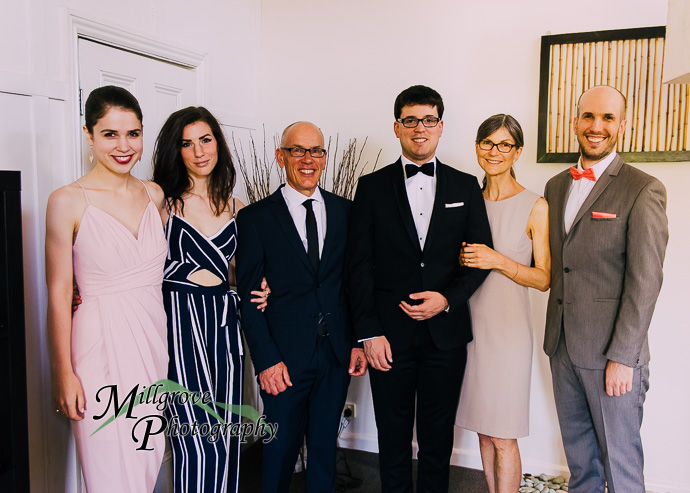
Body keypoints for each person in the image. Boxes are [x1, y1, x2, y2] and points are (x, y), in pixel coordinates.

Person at [347, 85, 493, 493]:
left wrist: (447, 299)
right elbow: (357, 266)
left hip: (445, 337)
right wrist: (369, 332)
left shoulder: (465, 187)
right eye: (410, 120)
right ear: (397, 127)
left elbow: (481, 258)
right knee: (391, 437)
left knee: (437, 438)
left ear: (441, 127)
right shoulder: (371, 187)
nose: (420, 128)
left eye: (428, 120)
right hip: (388, 337)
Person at [544, 85, 668, 493]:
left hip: (612, 355)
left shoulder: (642, 188)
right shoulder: (556, 185)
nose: (596, 127)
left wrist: (623, 357)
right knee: (581, 466)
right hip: (562, 348)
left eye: (608, 118)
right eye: (588, 117)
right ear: (574, 121)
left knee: (621, 468)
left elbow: (645, 281)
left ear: (622, 125)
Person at [46, 85, 168, 492]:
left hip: (152, 343)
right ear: (88, 134)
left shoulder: (154, 194)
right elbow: (60, 293)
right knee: (107, 469)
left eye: (133, 134)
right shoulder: (67, 200)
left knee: (146, 458)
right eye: (110, 134)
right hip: (98, 349)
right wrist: (64, 373)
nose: (124, 146)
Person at [236, 121, 367, 493]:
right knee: (279, 450)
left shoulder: (347, 212)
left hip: (336, 352)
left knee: (324, 448)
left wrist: (357, 341)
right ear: (282, 156)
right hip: (284, 358)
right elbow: (249, 297)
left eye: (316, 151)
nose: (308, 159)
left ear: (325, 158)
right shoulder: (256, 218)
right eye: (298, 150)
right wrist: (265, 361)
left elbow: (353, 285)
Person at [152, 106, 264, 493]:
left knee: (226, 433)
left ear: (218, 144)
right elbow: (138, 270)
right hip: (180, 327)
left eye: (206, 139)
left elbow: (239, 274)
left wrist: (258, 288)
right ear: (175, 150)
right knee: (192, 437)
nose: (199, 151)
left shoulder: (238, 209)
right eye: (187, 143)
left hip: (225, 328)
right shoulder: (163, 205)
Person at [454, 114, 550, 493]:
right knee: (483, 429)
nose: (495, 152)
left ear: (518, 152)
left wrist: (499, 261)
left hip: (509, 334)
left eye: (504, 144)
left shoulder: (534, 205)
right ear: (477, 147)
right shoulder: (465, 201)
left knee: (503, 435)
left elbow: (543, 278)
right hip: (469, 328)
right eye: (487, 143)